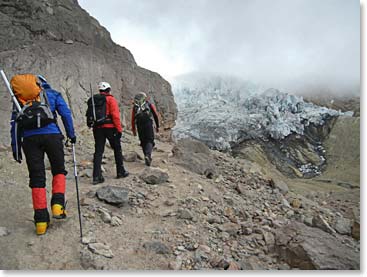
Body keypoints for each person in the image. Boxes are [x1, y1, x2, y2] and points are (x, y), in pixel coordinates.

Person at [10, 74, 76, 235]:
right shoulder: (52, 94)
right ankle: (58, 206)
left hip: (30, 140)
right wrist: (71, 135)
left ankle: (40, 222)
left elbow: (15, 125)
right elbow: (66, 114)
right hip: (52, 136)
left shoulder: (19, 100)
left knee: (37, 177)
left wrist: (16, 148)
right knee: (58, 170)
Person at [91, 81, 129, 184]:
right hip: (110, 128)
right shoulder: (111, 100)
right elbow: (115, 116)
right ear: (108, 90)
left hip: (97, 128)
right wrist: (119, 129)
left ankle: (96, 176)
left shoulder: (94, 100)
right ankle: (120, 171)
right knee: (117, 149)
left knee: (98, 151)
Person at [131, 92, 159, 166]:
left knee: (143, 141)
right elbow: (155, 115)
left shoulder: (135, 107)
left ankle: (146, 156)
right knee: (150, 140)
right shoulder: (149, 104)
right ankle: (148, 155)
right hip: (148, 123)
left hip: (139, 124)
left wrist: (134, 130)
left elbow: (132, 119)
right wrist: (157, 126)